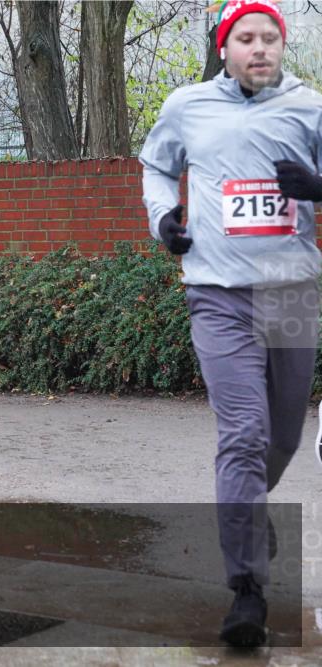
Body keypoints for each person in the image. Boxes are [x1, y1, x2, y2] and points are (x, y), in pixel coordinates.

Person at [140, 0, 322, 648]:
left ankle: (253, 508)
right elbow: (157, 167)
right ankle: (247, 588)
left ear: (281, 45)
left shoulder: (310, 107)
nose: (260, 47)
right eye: (246, 37)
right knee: (243, 434)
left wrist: (319, 185)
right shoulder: (187, 106)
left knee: (282, 439)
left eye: (270, 37)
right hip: (218, 292)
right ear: (225, 46)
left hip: (294, 291)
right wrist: (165, 217)